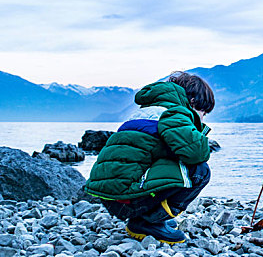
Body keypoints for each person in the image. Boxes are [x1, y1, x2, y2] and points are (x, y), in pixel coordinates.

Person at [84, 71, 214, 244]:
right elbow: (196, 153)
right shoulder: (176, 112)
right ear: (192, 102)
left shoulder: (150, 110)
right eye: (203, 112)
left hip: (109, 196)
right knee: (200, 171)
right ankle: (147, 222)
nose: (203, 118)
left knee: (169, 159)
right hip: (127, 199)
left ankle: (150, 216)